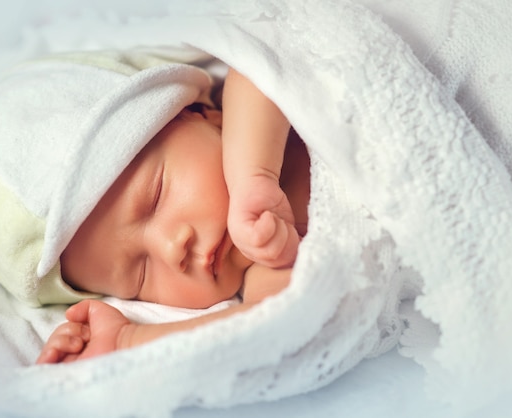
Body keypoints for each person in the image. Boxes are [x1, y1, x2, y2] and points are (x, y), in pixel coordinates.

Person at [36, 68, 311, 364]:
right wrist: (127, 342)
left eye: (154, 197)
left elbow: (262, 65)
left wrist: (254, 174)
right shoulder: (273, 265)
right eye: (140, 275)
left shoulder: (246, 100)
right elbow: (275, 325)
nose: (171, 250)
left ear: (200, 114)